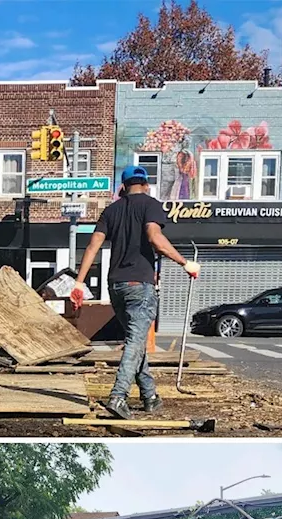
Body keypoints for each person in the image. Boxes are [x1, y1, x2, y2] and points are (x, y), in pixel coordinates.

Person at [74, 166, 200, 419]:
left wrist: (79, 283)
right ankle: (118, 396)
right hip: (139, 285)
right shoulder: (151, 205)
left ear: (122, 187)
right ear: (146, 184)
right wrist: (185, 263)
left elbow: (92, 246)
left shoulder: (111, 210)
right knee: (134, 342)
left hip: (116, 286)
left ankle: (150, 396)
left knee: (136, 341)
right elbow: (155, 237)